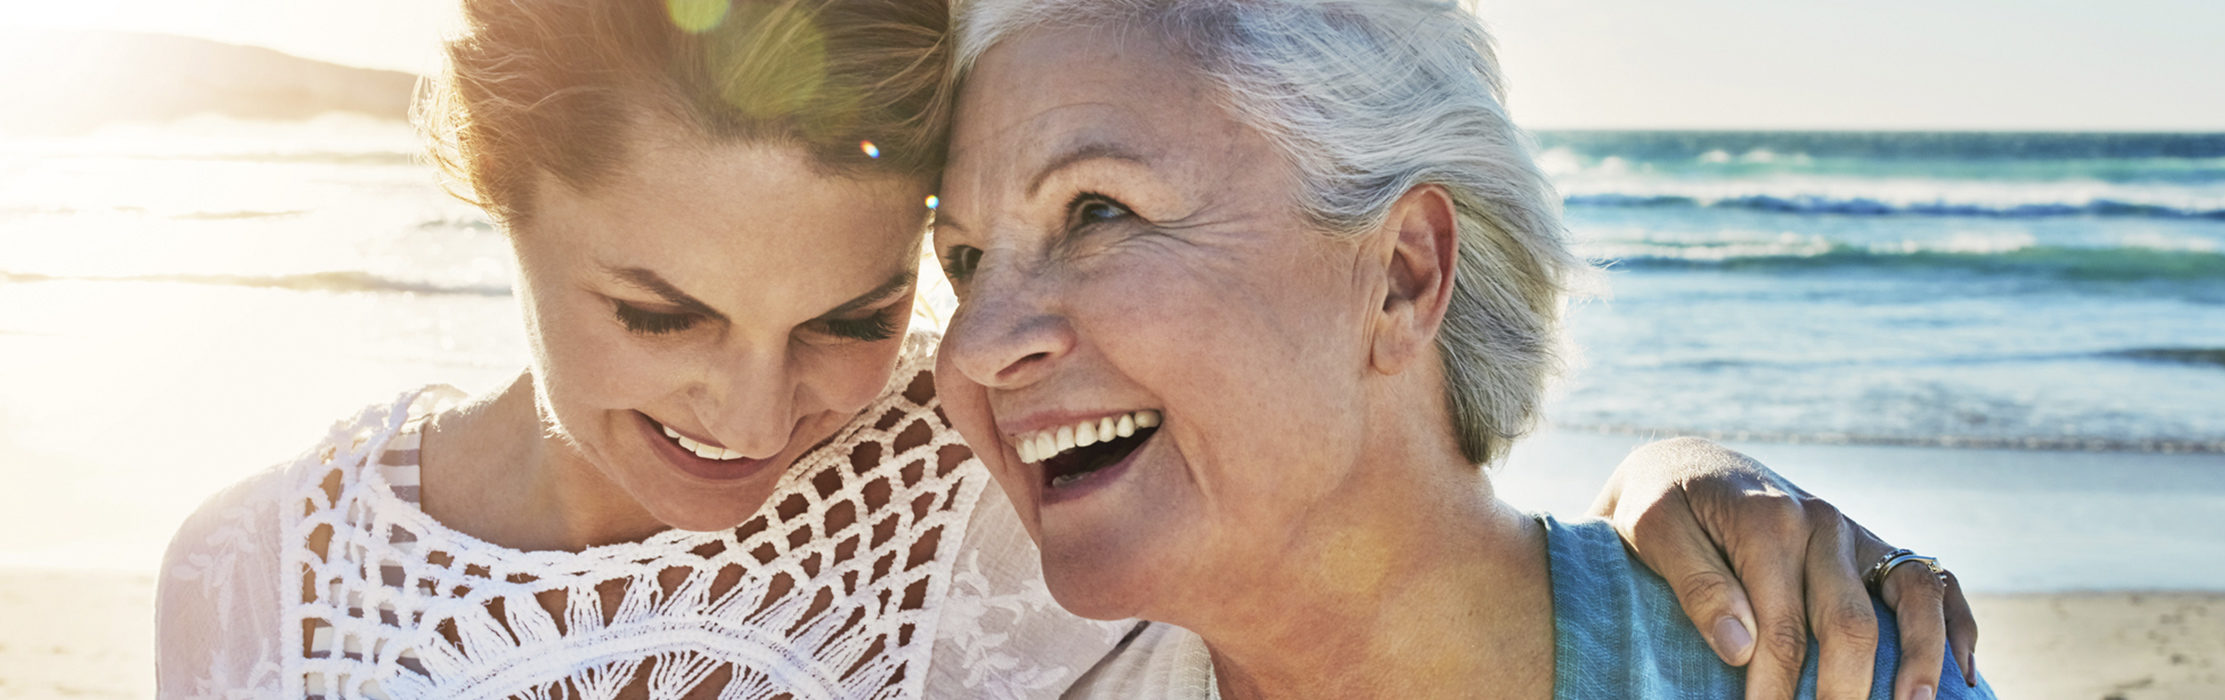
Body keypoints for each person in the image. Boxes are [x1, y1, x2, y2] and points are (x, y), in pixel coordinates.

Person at [154, 0, 1970, 697]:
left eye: (870, 312)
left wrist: (1690, 490)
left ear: (1405, 272)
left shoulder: (1016, 547)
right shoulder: (258, 577)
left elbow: (1397, 527)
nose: (750, 408)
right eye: (968, 264)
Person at [930, 0, 1990, 697]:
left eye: (1100, 211)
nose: (976, 343)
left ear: (1402, 277)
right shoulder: (991, 669)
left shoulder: (1831, 670)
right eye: (965, 258)